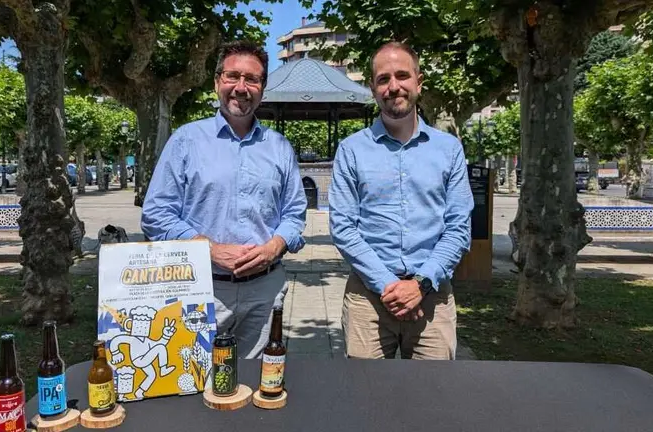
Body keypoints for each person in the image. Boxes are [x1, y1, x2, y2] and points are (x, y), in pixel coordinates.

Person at [141, 41, 307, 359]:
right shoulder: (186, 141)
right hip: (201, 286)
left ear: (263, 88)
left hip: (264, 289)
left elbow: (295, 212)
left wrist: (274, 247)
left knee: (257, 383)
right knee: (193, 380)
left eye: (252, 79)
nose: (241, 87)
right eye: (233, 76)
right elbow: (156, 213)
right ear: (217, 81)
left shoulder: (280, 147)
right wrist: (210, 249)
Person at [329, 42, 474, 360]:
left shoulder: (448, 149)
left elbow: (459, 228)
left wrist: (419, 286)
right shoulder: (352, 150)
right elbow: (343, 228)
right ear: (372, 88)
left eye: (402, 76)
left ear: (419, 82)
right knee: (366, 398)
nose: (394, 86)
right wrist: (388, 285)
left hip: (433, 295)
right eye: (383, 79)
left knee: (431, 400)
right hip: (368, 297)